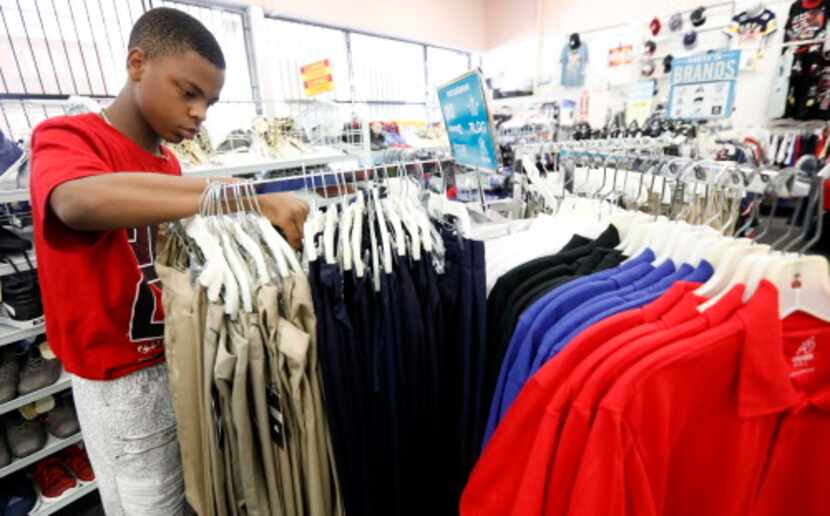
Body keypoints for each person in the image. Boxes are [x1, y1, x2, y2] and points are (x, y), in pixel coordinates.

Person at [29, 7, 308, 515]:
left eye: (210, 101)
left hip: (176, 356)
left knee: (189, 497)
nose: (200, 113)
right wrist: (238, 196)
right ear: (138, 64)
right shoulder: (68, 137)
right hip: (119, 380)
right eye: (189, 92)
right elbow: (76, 203)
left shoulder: (169, 164)